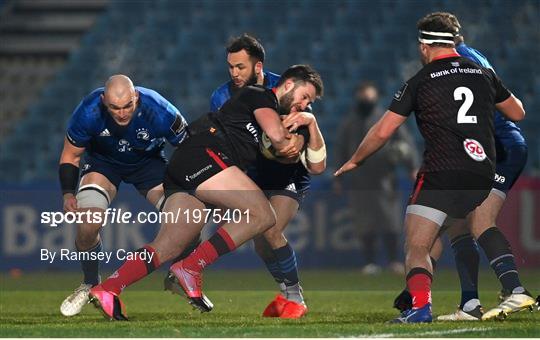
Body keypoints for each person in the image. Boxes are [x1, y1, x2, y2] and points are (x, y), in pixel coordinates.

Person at [88, 65, 325, 320]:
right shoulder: (259, 95)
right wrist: (295, 137)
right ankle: (191, 267)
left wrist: (309, 124)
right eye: (304, 97)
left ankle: (109, 289)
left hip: (187, 165)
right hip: (205, 154)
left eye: (309, 102)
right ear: (288, 84)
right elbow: (277, 138)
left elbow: (318, 166)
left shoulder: (297, 118)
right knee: (263, 215)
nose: (304, 105)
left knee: (169, 245)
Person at [335, 13, 525, 323]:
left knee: (417, 243)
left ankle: (421, 306)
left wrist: (356, 159)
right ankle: (472, 301)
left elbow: (383, 131)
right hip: (481, 173)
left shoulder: (420, 80)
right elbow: (517, 112)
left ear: (424, 46)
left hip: (442, 172)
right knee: (464, 228)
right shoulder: (482, 72)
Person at [393, 12, 534, 322]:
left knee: (479, 221)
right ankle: (470, 303)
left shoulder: (458, 62)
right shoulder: (469, 56)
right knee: (458, 223)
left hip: (499, 148)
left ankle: (515, 289)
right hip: (487, 149)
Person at [203, 33, 323, 318]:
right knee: (261, 243)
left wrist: (300, 142)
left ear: (258, 67)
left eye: (240, 67)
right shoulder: (221, 96)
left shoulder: (285, 88)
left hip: (288, 173)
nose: (234, 73)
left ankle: (296, 298)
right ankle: (287, 294)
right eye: (230, 67)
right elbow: (225, 143)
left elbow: (302, 127)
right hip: (253, 175)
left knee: (269, 229)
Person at [58, 75, 189, 316]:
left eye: (128, 105)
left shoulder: (159, 109)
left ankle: (180, 275)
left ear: (136, 97)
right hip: (102, 165)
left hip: (149, 165)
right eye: (114, 108)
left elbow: (189, 149)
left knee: (188, 221)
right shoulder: (89, 111)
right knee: (88, 225)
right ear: (103, 101)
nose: (122, 113)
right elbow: (70, 156)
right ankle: (90, 283)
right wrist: (68, 193)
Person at [334, 82, 418, 274]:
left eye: (370, 97)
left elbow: (406, 143)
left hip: (384, 178)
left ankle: (393, 260)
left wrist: (412, 167)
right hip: (359, 180)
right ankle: (369, 262)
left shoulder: (384, 118)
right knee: (364, 224)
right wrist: (338, 177)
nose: (367, 101)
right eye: (364, 97)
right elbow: (340, 148)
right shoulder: (350, 122)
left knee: (390, 220)